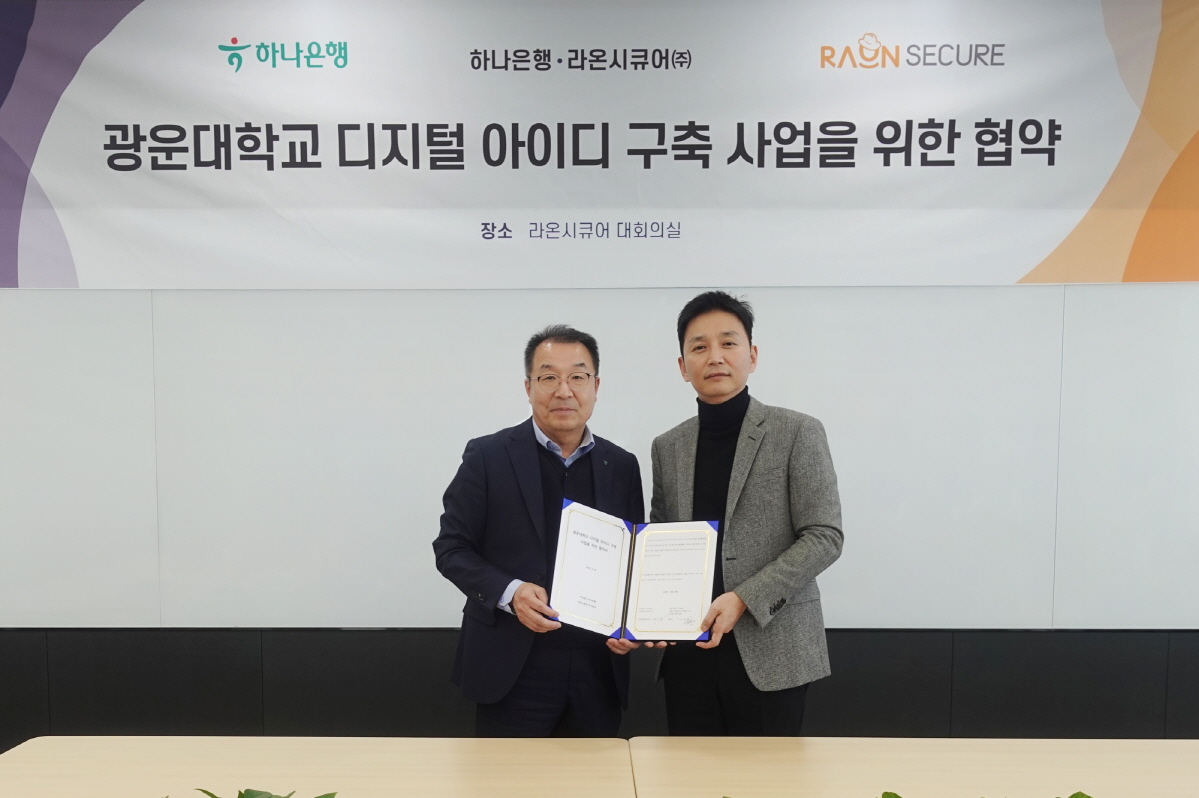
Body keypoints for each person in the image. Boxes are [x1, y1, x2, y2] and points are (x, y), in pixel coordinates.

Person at [433, 325, 644, 736]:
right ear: (528, 387)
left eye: (578, 377)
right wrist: (510, 592)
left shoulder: (621, 465)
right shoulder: (488, 456)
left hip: (597, 667)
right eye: (549, 377)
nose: (564, 391)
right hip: (511, 666)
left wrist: (631, 621)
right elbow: (451, 548)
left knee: (595, 772)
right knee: (509, 775)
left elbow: (632, 559)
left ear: (596, 386)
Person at [649, 291, 843, 735]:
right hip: (689, 653)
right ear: (683, 366)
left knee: (767, 773)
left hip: (772, 651)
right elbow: (661, 538)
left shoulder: (798, 431)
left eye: (728, 343)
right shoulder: (668, 446)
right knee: (691, 772)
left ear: (752, 355)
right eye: (699, 347)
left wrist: (744, 598)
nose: (714, 357)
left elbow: (824, 536)